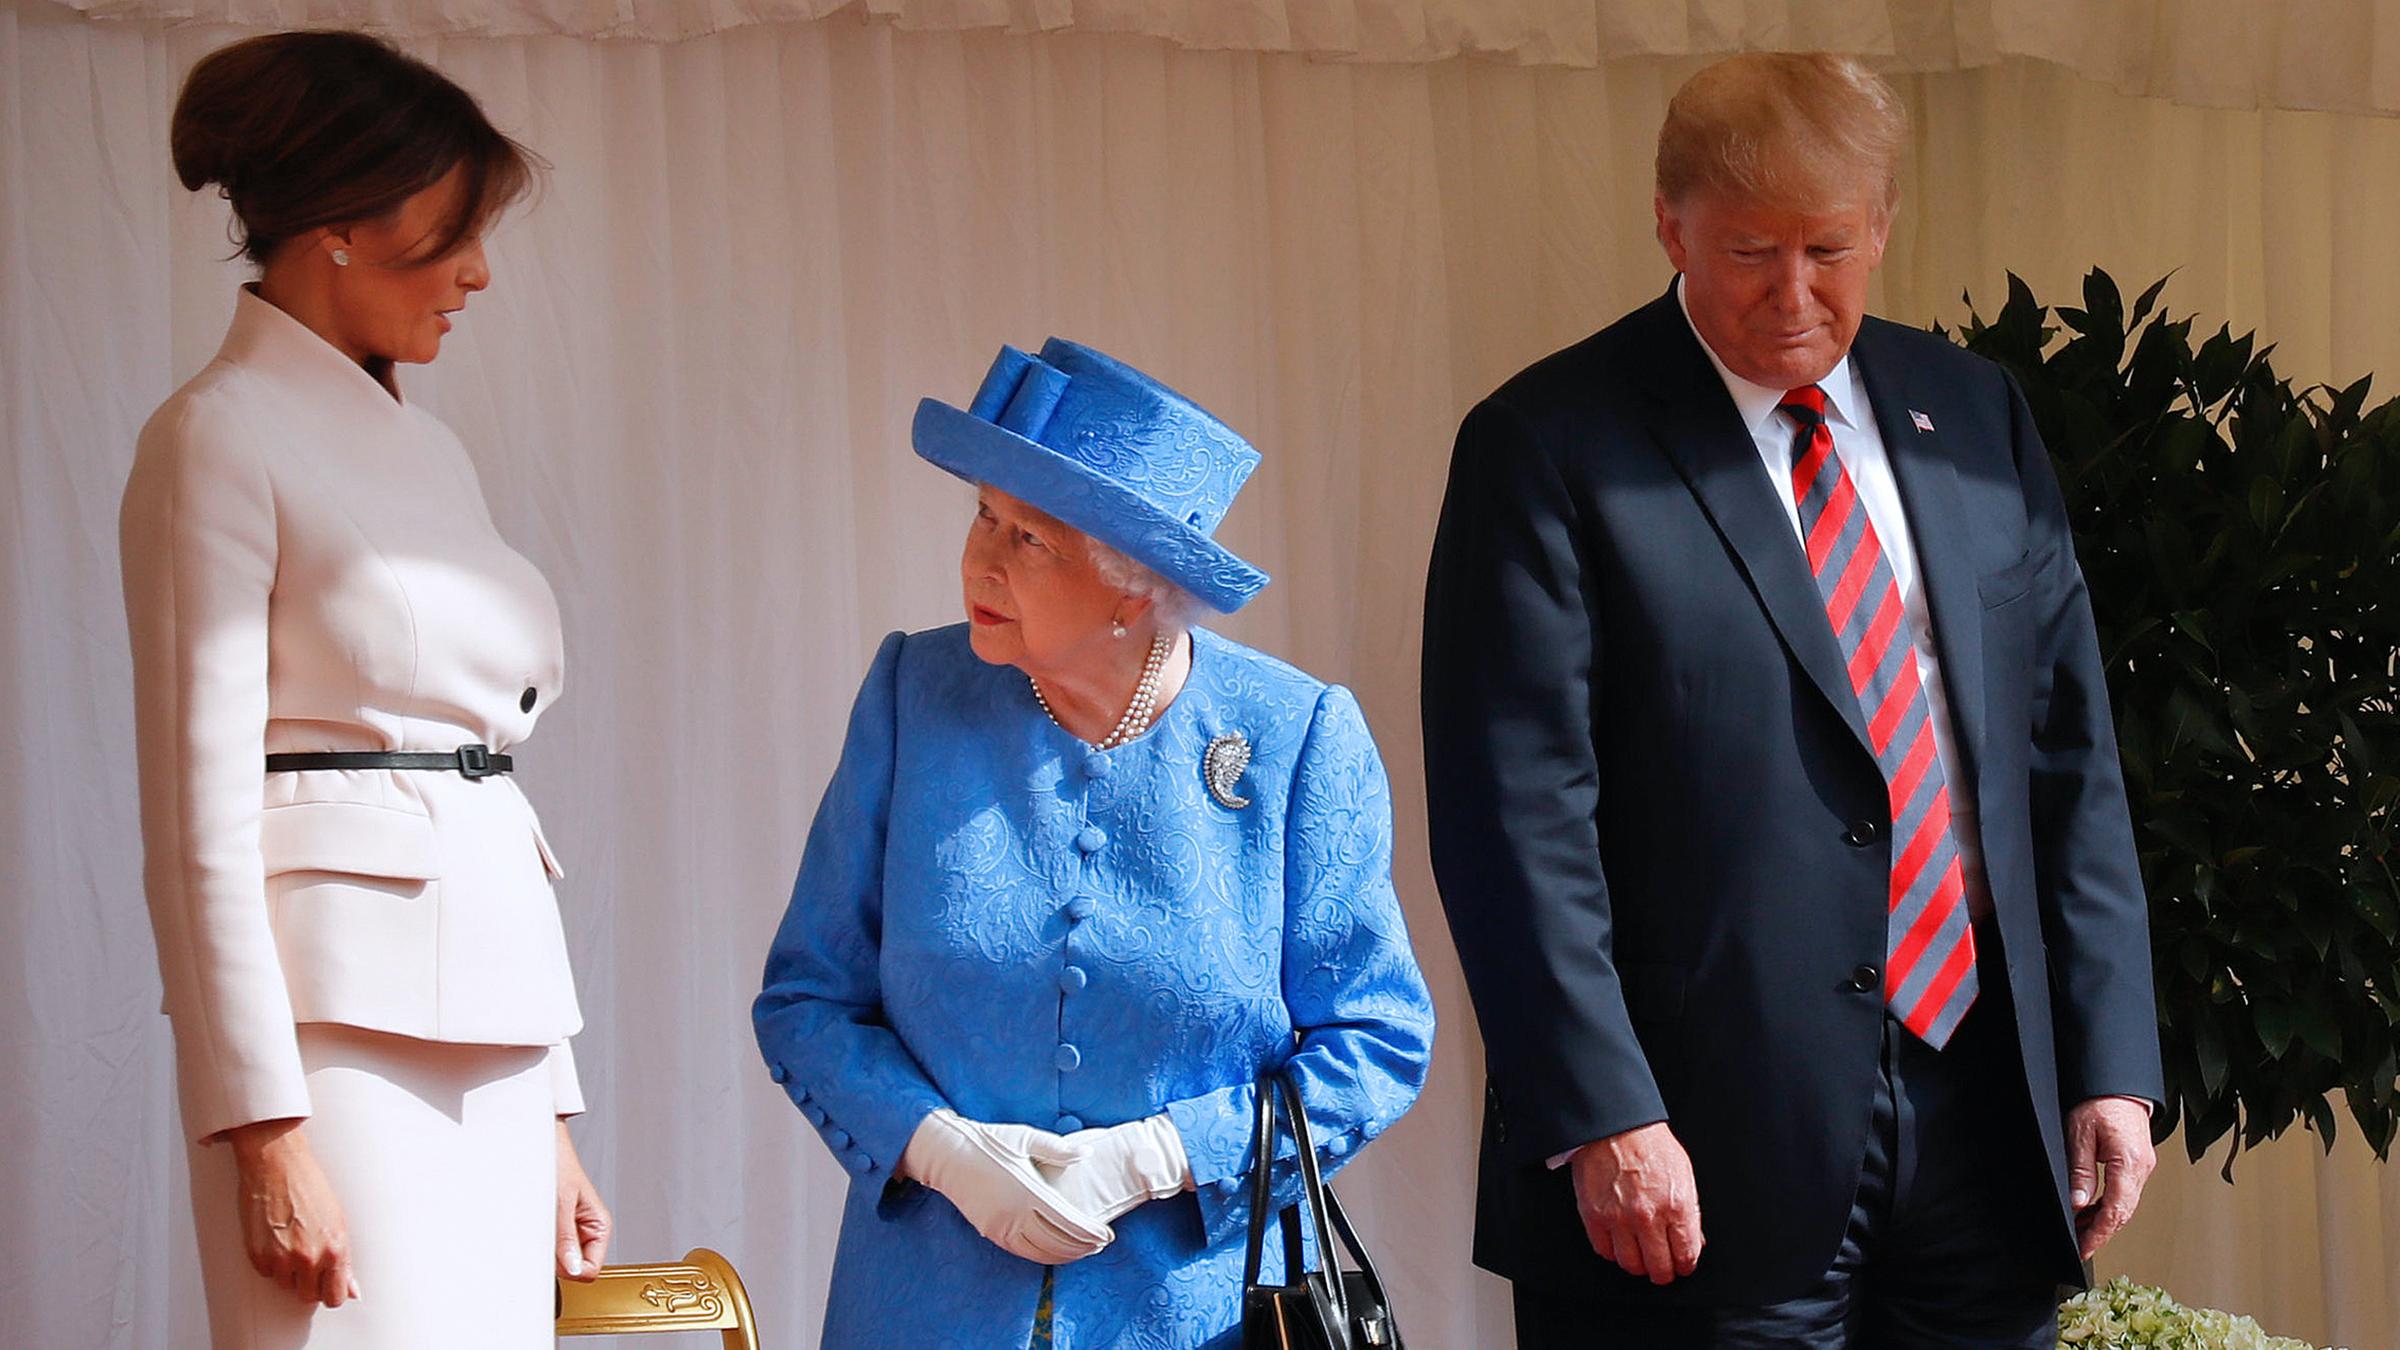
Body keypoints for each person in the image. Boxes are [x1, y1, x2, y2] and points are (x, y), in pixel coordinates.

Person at [1422, 52, 2164, 1347]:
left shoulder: (1974, 414)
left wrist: (2110, 1061)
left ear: (1882, 226)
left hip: (1983, 1109)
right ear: (1671, 226)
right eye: (1751, 251)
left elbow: (2066, 757)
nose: (1795, 292)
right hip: (1694, 1141)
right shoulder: (1548, 443)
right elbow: (1514, 814)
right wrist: (1603, 1111)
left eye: (1829, 248)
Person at [755, 338, 1435, 1349]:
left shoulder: (1296, 738)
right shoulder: (913, 697)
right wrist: (940, 1151)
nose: (980, 561)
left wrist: (1161, 1156)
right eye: (984, 514)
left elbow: (1376, 1041)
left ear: (1135, 587)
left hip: (1195, 1319)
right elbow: (809, 999)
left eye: (1030, 539)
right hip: (927, 1312)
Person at [121, 31, 608, 1346]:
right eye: (455, 229)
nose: (479, 271)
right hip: (327, 1040)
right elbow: (195, 823)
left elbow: (479, 787)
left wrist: (552, 1111)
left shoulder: (433, 455)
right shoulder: (215, 436)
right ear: (338, 225)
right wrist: (261, 1128)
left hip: (497, 1035)